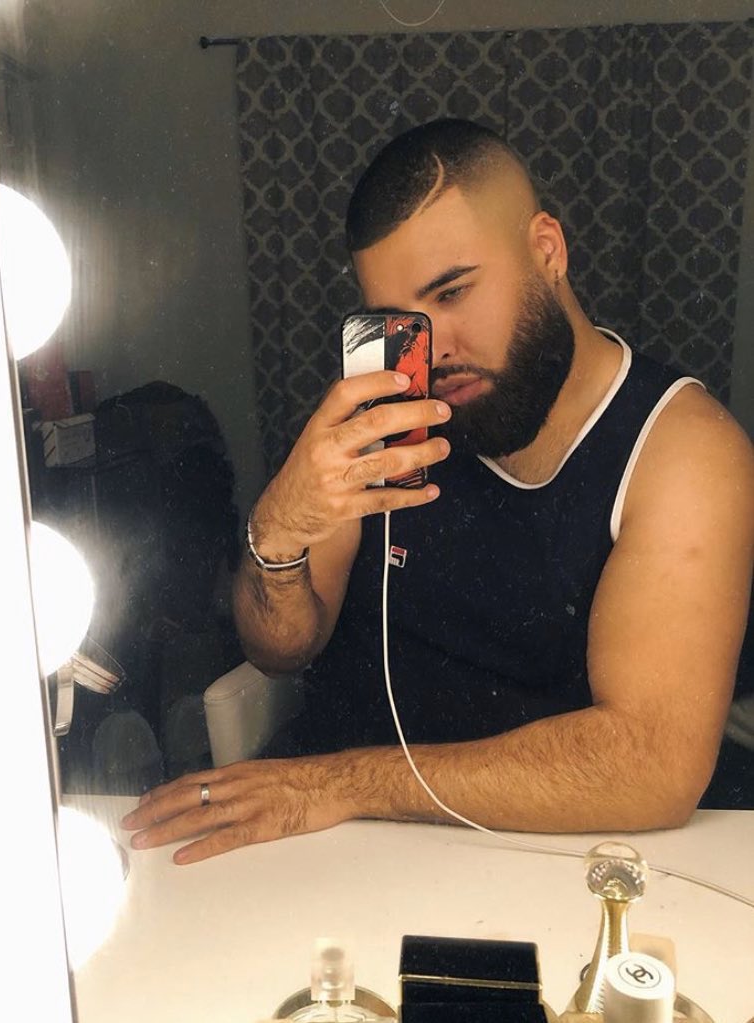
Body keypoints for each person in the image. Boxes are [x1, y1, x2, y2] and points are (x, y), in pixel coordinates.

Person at [121, 119, 754, 864]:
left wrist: (344, 783)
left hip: (543, 848)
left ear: (546, 250)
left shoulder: (683, 451)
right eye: (401, 322)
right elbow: (279, 649)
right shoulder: (383, 413)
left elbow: (648, 766)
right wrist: (278, 536)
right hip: (336, 834)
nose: (433, 349)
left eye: (453, 291)